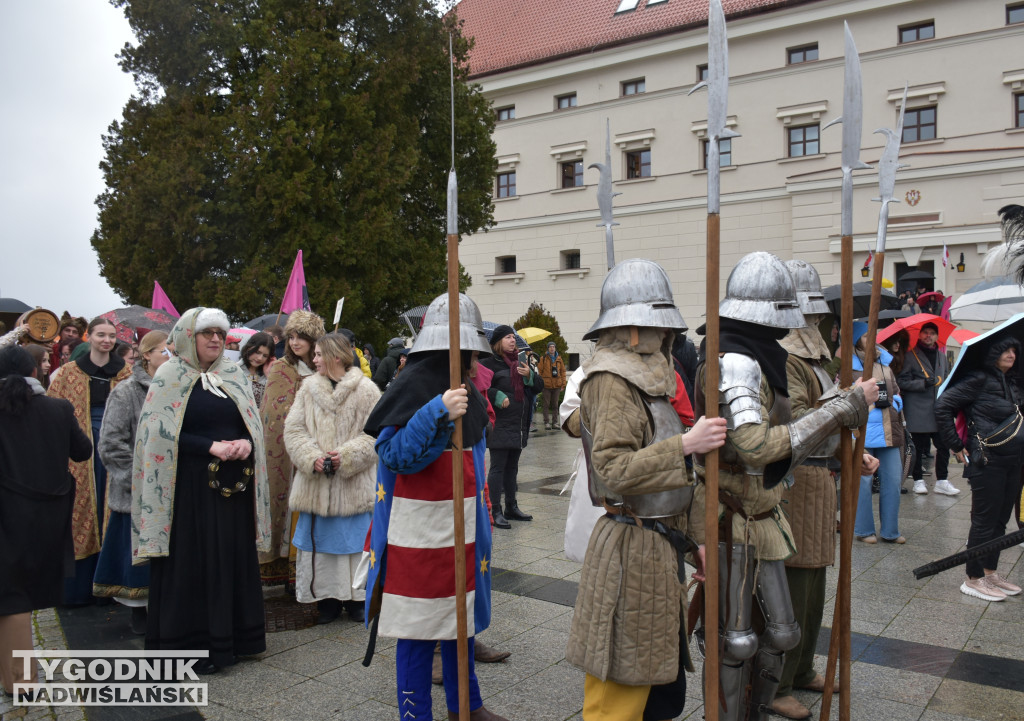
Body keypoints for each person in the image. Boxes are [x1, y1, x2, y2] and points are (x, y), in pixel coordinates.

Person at [690, 252, 875, 721]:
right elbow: (753, 447)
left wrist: (842, 404)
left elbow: (781, 431)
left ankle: (756, 710)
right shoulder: (735, 362)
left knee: (782, 634)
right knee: (736, 640)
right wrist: (841, 408)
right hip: (733, 516)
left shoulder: (758, 357)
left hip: (763, 511)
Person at [561, 258, 728, 721]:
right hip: (630, 549)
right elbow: (612, 470)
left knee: (659, 692)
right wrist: (686, 444)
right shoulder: (611, 379)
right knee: (621, 692)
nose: (663, 336)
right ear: (631, 329)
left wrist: (695, 543)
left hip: (660, 547)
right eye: (653, 325)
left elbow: (679, 478)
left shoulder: (654, 375)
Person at [363, 292, 508, 721]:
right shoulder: (414, 385)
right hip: (419, 531)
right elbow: (396, 456)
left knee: (458, 622)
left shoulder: (469, 386)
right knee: (419, 630)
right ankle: (415, 715)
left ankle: (467, 705)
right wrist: (437, 411)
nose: (473, 359)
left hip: (461, 526)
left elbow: (474, 462)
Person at [132, 307, 270, 674]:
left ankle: (236, 640)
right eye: (206, 332)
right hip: (186, 490)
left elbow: (250, 423)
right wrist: (209, 446)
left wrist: (245, 443)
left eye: (219, 334)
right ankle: (192, 648)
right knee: (193, 561)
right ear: (187, 336)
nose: (214, 339)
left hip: (231, 490)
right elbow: (157, 434)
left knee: (228, 558)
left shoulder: (233, 374)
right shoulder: (168, 375)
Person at [773, 261, 880, 720]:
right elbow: (799, 423)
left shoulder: (819, 361)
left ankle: (801, 670)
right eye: (809, 315)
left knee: (815, 582)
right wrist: (850, 400)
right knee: (795, 585)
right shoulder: (787, 360)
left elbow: (832, 422)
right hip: (796, 480)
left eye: (819, 315)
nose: (816, 323)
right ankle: (777, 681)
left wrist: (852, 455)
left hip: (823, 479)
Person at [0, 346, 91, 694]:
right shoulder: (57, 408)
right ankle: (14, 678)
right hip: (46, 515)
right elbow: (82, 451)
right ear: (35, 372)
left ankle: (21, 682)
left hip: (7, 513)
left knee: (12, 597)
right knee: (16, 595)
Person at [284, 332, 380, 624]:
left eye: (317, 355)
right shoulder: (307, 389)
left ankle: (356, 599)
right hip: (316, 484)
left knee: (355, 544)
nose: (312, 360)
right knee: (321, 546)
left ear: (335, 356)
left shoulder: (367, 390)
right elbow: (293, 430)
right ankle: (326, 598)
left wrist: (346, 456)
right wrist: (311, 457)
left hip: (354, 485)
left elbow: (376, 432)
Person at [46, 316, 132, 606]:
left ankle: (111, 584)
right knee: (81, 510)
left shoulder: (126, 373)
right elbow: (53, 410)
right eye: (100, 335)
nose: (106, 340)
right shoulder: (68, 373)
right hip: (79, 447)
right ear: (89, 336)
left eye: (111, 336)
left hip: (116, 447)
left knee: (111, 507)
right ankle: (78, 588)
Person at [936, 334, 1024, 601]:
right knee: (984, 521)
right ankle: (973, 578)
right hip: (987, 461)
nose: (1011, 354)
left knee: (1001, 520)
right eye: (1005, 351)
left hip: (1013, 461)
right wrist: (955, 444)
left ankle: (990, 572)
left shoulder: (1013, 382)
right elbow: (942, 406)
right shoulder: (978, 379)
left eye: (1014, 351)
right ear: (992, 354)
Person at [95, 331, 169, 634]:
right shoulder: (126, 392)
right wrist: (137, 480)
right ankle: (140, 612)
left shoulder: (180, 390)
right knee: (138, 562)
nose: (170, 358)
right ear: (147, 355)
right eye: (165, 352)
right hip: (136, 493)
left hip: (170, 490)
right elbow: (110, 443)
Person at [260, 310, 325, 587]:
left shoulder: (323, 367)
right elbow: (272, 414)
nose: (296, 342)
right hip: (288, 454)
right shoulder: (280, 368)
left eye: (303, 337)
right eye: (292, 337)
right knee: (288, 508)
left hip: (320, 449)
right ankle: (288, 571)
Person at [481, 325, 544, 529]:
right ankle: (495, 510)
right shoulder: (488, 363)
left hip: (518, 424)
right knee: (498, 468)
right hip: (500, 424)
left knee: (512, 468)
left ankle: (511, 507)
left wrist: (530, 376)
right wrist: (495, 395)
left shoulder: (520, 362)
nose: (512, 340)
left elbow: (539, 387)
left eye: (513, 337)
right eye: (508, 337)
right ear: (498, 341)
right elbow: (479, 388)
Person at [851, 323, 906, 544]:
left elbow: (896, 391)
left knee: (893, 480)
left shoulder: (886, 363)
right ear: (857, 340)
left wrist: (897, 403)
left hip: (888, 430)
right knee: (862, 482)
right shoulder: (849, 366)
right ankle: (864, 531)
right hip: (861, 431)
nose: (871, 339)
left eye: (873, 334)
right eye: (865, 335)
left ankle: (891, 531)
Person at [898, 322, 958, 495]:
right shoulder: (910, 356)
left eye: (932, 333)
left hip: (939, 409)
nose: (928, 336)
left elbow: (946, 379)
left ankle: (942, 480)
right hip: (918, 409)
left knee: (943, 445)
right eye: (925, 333)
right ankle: (917, 480)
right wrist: (922, 383)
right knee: (917, 447)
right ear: (920, 335)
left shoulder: (942, 356)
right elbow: (901, 381)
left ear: (937, 336)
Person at [240, 331, 274, 408]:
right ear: (249, 348)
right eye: (258, 352)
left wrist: (269, 375)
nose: (260, 358)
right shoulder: (235, 369)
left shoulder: (268, 375)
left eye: (265, 356)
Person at [537, 341, 566, 430]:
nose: (552, 348)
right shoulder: (543, 358)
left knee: (555, 405)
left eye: (553, 347)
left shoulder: (559, 359)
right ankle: (546, 422)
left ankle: (555, 422)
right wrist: (541, 383)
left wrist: (563, 384)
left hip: (557, 385)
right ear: (548, 348)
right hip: (546, 385)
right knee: (546, 404)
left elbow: (563, 372)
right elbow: (540, 371)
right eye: (550, 347)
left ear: (555, 348)